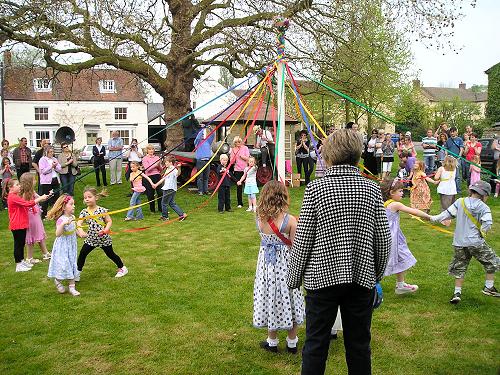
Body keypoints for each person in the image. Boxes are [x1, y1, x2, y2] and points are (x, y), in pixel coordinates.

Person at [287, 129, 391, 375]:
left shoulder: (316, 189)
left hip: (320, 281)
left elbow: (303, 240)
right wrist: (375, 274)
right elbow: (383, 240)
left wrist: (293, 277)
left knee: (315, 344)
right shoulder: (372, 190)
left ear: (329, 155)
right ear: (358, 154)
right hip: (360, 279)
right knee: (359, 346)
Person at [253, 181, 304, 354]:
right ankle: (292, 342)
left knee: (270, 298)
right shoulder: (290, 220)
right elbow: (295, 247)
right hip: (286, 266)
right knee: (290, 298)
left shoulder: (258, 217)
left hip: (266, 267)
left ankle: (272, 341)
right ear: (283, 196)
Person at [430, 180, 500, 303]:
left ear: (471, 191)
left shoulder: (460, 202)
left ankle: (457, 293)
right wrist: (483, 231)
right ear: (485, 195)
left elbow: (446, 214)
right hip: (475, 243)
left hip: (459, 243)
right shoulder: (484, 207)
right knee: (492, 261)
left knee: (460, 267)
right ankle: (488, 287)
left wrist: (432, 218)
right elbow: (487, 223)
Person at [381, 178, 431, 294]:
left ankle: (400, 285)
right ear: (391, 193)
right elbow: (414, 211)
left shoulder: (383, 203)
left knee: (400, 257)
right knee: (389, 260)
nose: (402, 193)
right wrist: (430, 217)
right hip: (392, 238)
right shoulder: (395, 204)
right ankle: (372, 286)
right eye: (400, 191)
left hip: (391, 236)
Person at [76, 187, 128, 279]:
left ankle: (122, 268)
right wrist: (81, 231)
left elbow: (109, 221)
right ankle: (77, 272)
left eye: (89, 197)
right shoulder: (84, 212)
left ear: (96, 197)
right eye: (85, 197)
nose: (87, 199)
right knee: (83, 253)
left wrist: (106, 230)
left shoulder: (102, 210)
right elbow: (79, 223)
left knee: (110, 254)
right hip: (90, 239)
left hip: (104, 239)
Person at [7, 179, 49, 272]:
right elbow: (28, 204)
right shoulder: (13, 197)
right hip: (17, 225)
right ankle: (18, 265)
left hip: (21, 224)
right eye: (17, 185)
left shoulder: (15, 196)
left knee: (21, 244)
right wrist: (40, 198)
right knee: (18, 245)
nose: (19, 186)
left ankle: (22, 262)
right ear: (11, 187)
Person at [46, 195, 81, 296]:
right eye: (71, 204)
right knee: (64, 265)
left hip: (71, 245)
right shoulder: (61, 220)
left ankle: (72, 288)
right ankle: (57, 281)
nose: (74, 206)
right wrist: (62, 225)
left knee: (71, 264)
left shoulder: (73, 217)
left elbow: (74, 230)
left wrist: (82, 234)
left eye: (74, 204)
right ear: (64, 206)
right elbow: (58, 234)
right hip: (62, 247)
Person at [20, 173, 51, 264]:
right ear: (29, 182)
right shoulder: (25, 193)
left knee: (40, 234)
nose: (35, 181)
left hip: (36, 216)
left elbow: (41, 199)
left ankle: (46, 253)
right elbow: (29, 203)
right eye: (34, 180)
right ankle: (29, 258)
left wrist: (48, 195)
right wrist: (40, 198)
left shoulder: (32, 191)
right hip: (30, 218)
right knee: (31, 237)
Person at [153, 155, 187, 222]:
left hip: (169, 188)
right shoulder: (168, 169)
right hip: (170, 188)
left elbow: (178, 174)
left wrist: (179, 168)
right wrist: (156, 184)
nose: (165, 163)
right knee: (171, 203)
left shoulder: (173, 169)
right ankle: (182, 214)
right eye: (165, 162)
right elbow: (164, 178)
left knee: (164, 203)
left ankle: (165, 217)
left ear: (171, 162)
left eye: (166, 162)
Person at [39, 146, 62, 218]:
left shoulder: (54, 159)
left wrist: (55, 167)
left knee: (56, 196)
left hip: (55, 179)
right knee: (46, 197)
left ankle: (55, 213)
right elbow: (43, 171)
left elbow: (59, 168)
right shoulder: (42, 160)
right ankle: (44, 214)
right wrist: (51, 167)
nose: (52, 153)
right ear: (46, 152)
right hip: (46, 181)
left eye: (53, 151)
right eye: (50, 152)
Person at [141, 144, 163, 213]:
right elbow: (147, 170)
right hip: (149, 177)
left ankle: (160, 208)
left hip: (157, 175)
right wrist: (155, 165)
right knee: (150, 193)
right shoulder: (144, 158)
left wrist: (159, 165)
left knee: (160, 192)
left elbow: (161, 169)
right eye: (149, 149)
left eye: (152, 149)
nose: (151, 150)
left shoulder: (157, 157)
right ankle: (152, 210)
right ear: (147, 150)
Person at [230, 136, 250, 208]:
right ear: (234, 143)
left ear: (241, 142)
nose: (238, 143)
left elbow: (248, 158)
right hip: (237, 170)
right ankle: (240, 203)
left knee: (248, 186)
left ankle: (250, 203)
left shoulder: (245, 148)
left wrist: (242, 157)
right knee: (239, 186)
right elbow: (232, 161)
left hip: (245, 170)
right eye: (236, 142)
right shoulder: (233, 149)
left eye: (239, 142)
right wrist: (232, 157)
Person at [194, 126, 215, 195]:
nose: (203, 136)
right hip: (200, 161)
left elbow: (213, 135)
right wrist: (202, 129)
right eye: (202, 135)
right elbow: (198, 137)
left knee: (206, 177)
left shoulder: (208, 141)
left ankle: (206, 190)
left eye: (203, 134)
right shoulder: (197, 142)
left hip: (207, 161)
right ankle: (200, 191)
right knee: (200, 177)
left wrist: (210, 128)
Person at [444, 127, 464, 194]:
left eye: (453, 131)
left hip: (457, 159)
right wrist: (446, 157)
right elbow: (446, 150)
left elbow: (461, 149)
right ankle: (450, 189)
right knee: (449, 175)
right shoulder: (448, 140)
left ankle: (458, 190)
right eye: (451, 132)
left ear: (456, 132)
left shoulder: (460, 139)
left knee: (457, 176)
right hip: (449, 160)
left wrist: (459, 157)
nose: (452, 133)